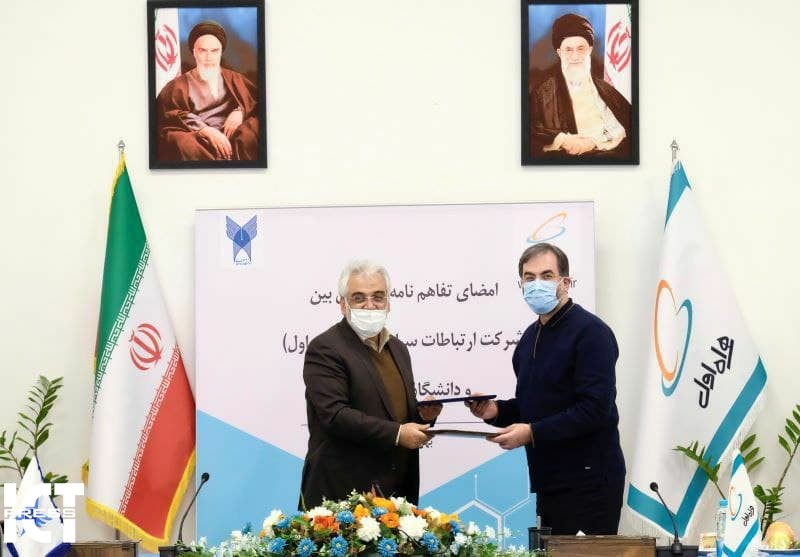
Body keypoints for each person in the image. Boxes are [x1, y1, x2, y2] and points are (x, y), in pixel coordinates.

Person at [467, 243, 625, 535]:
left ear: (566, 282)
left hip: (589, 482)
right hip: (549, 481)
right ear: (520, 285)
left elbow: (594, 409)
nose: (536, 284)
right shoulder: (530, 337)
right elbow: (533, 406)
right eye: (529, 278)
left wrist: (532, 433)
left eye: (547, 275)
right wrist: (495, 411)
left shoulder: (592, 333)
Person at [300, 260, 442, 508]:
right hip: (342, 497)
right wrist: (398, 434)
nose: (370, 305)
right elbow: (335, 415)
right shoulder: (325, 348)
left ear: (388, 302)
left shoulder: (397, 348)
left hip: (396, 495)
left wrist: (423, 417)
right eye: (358, 298)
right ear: (343, 304)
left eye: (378, 296)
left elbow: (393, 413)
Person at [529, 13, 631, 160]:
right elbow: (529, 132)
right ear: (559, 53)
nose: (575, 56)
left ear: (589, 50)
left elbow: (629, 125)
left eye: (581, 48)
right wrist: (563, 140)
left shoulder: (606, 90)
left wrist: (594, 142)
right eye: (568, 50)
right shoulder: (542, 94)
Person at [156, 20, 260, 161]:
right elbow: (168, 115)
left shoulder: (235, 79)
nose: (209, 57)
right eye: (202, 51)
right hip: (199, 139)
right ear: (194, 52)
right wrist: (205, 130)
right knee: (180, 142)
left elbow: (256, 103)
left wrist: (240, 111)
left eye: (214, 51)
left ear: (220, 53)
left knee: (252, 131)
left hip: (233, 136)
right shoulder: (176, 86)